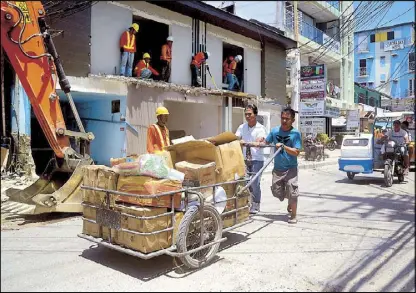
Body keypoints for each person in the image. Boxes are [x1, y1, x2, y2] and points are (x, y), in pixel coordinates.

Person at [264, 107, 302, 224]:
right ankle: (290, 200)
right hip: (278, 169)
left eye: (287, 119)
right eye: (283, 118)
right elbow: (266, 142)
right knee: (276, 192)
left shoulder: (295, 133)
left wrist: (284, 147)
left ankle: (293, 215)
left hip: (291, 168)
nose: (284, 121)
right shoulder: (275, 131)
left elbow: (296, 152)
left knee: (292, 190)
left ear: (293, 120)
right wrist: (258, 141)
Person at [235, 104, 267, 214]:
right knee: (244, 181)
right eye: (246, 114)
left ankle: (256, 203)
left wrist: (256, 142)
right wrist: (239, 141)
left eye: (250, 114)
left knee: (255, 182)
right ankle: (246, 202)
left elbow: (260, 141)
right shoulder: (242, 127)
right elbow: (236, 138)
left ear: (255, 114)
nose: (248, 116)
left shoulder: (261, 128)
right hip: (244, 159)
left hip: (257, 159)